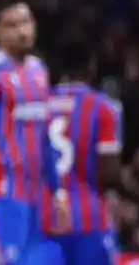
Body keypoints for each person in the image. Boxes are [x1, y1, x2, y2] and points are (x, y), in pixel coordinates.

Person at [0, 2, 72, 265]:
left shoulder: (39, 71)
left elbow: (44, 138)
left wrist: (58, 191)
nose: (22, 32)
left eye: (26, 22)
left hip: (33, 198)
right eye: (12, 25)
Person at [42, 52, 123, 265]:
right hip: (89, 218)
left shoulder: (39, 107)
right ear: (91, 68)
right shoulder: (103, 108)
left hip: (45, 218)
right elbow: (109, 171)